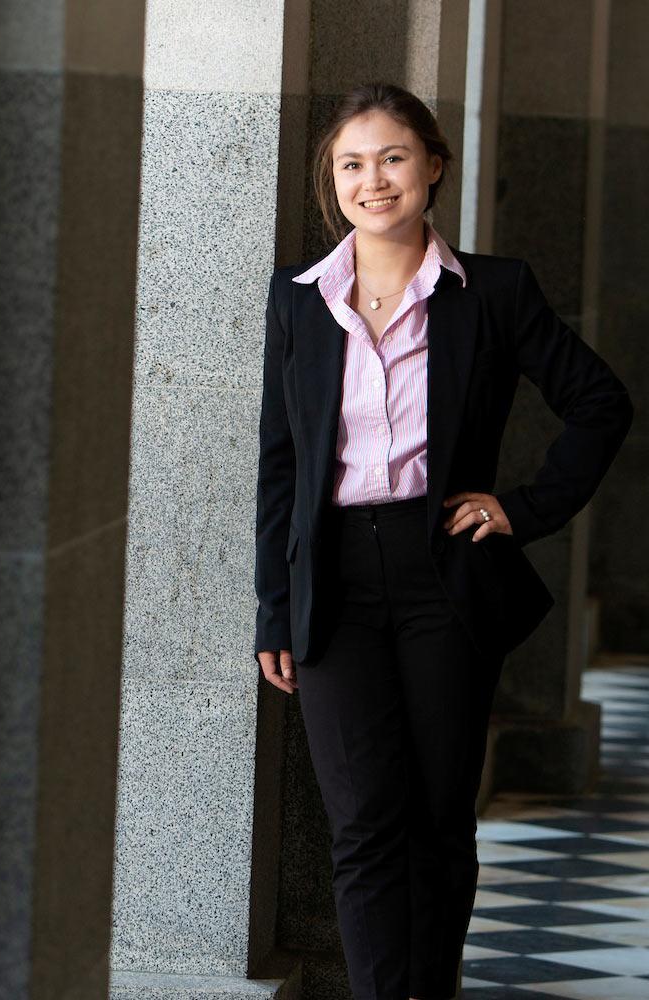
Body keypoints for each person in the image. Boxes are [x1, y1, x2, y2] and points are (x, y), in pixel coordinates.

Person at [252, 81, 634, 1000]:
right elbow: (281, 467)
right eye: (351, 164)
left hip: (443, 576)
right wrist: (274, 605)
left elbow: (600, 402)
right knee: (364, 825)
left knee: (436, 817)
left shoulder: (492, 291)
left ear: (431, 167)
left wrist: (522, 507)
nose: (372, 179)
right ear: (329, 183)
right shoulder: (301, 301)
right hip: (332, 583)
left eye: (391, 157)